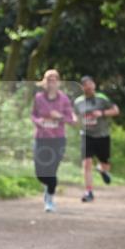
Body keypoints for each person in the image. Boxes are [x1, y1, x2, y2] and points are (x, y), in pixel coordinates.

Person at [31, 69, 77, 212]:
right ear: (44, 81)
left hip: (58, 139)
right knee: (40, 172)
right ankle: (48, 187)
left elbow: (72, 120)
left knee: (51, 170)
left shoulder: (64, 99)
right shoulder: (38, 98)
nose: (52, 81)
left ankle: (49, 200)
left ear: (58, 82)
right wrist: (39, 121)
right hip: (41, 138)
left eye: (55, 78)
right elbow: (33, 115)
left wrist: (59, 117)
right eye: (49, 79)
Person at [73, 75, 120, 202]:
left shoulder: (102, 98)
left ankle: (102, 170)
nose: (88, 86)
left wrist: (102, 113)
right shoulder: (78, 101)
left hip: (103, 135)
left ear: (94, 85)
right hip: (86, 135)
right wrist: (73, 120)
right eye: (85, 84)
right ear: (82, 87)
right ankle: (89, 192)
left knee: (105, 162)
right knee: (86, 163)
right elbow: (75, 116)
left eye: (90, 83)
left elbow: (116, 110)